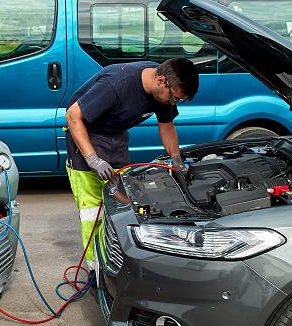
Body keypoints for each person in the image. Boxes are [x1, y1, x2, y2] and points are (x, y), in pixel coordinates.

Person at [65, 58, 199, 270]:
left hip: (115, 136)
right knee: (93, 209)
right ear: (161, 80)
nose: (173, 103)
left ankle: (120, 256)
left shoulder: (163, 92)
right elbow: (73, 116)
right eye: (174, 98)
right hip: (85, 135)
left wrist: (176, 159)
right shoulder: (117, 83)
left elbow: (166, 126)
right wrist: (93, 159)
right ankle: (94, 267)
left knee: (123, 201)